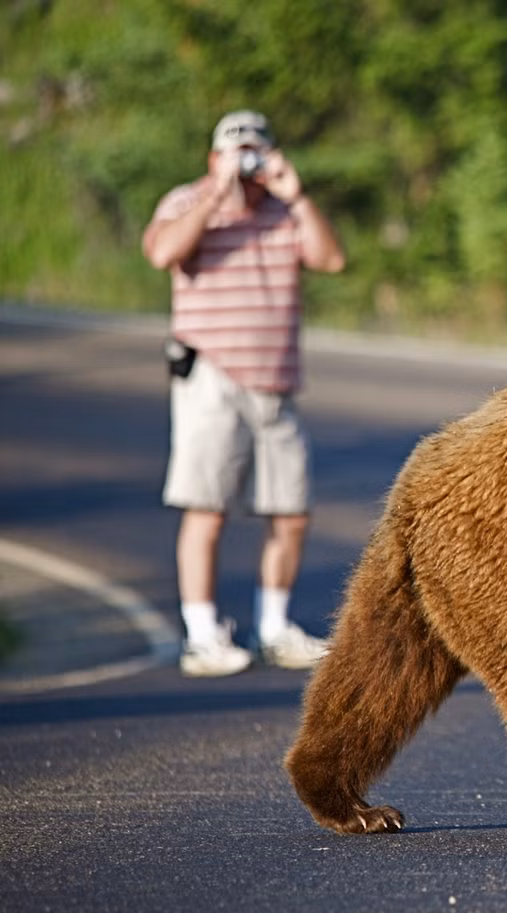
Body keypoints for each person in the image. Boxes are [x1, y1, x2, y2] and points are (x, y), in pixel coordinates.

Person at [142, 109, 346, 676]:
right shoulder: (186, 201)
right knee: (207, 509)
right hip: (212, 377)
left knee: (292, 511)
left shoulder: (284, 210)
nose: (247, 162)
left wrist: (298, 195)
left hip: (275, 382)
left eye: (256, 150)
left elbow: (331, 259)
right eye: (237, 151)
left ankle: (274, 626)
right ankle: (202, 635)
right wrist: (216, 194)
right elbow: (162, 254)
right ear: (214, 157)